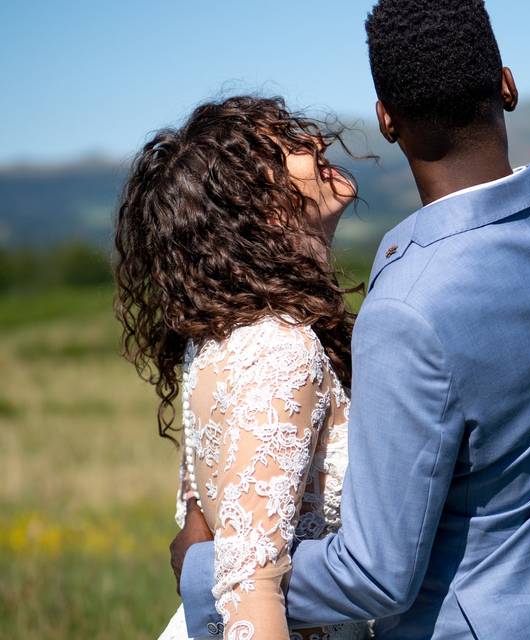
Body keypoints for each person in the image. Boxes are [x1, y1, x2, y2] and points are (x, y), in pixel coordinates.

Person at [177, 0, 530, 637]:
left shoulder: (407, 306)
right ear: (506, 85)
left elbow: (376, 573)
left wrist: (203, 573)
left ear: (387, 121)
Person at [114, 96, 370, 639]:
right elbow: (249, 580)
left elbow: (204, 512)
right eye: (288, 147)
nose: (317, 143)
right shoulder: (281, 348)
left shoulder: (225, 333)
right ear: (263, 207)